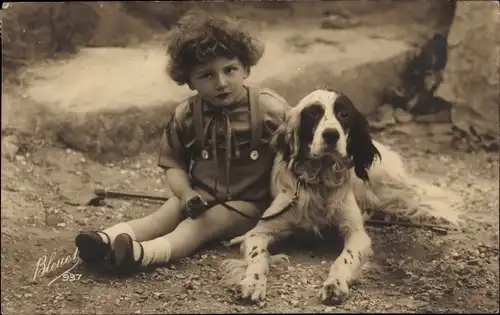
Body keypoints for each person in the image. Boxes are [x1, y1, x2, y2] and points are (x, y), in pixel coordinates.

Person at [75, 11, 291, 275]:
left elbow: (300, 143)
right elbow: (174, 163)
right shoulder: (186, 115)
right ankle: (103, 240)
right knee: (162, 216)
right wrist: (186, 193)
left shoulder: (268, 107)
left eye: (230, 70)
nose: (221, 82)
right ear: (189, 80)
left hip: (250, 204)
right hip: (200, 195)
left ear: (246, 68)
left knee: (202, 224)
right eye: (207, 75)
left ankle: (142, 255)